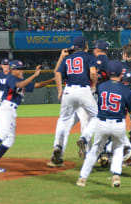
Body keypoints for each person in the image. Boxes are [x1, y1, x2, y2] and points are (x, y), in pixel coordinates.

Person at [0, 60, 54, 173]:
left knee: (10, 139)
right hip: (5, 108)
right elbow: (19, 85)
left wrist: (52, 80)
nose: (21, 70)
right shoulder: (10, 78)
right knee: (4, 132)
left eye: (22, 68)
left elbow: (38, 85)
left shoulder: (20, 80)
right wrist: (34, 75)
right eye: (19, 68)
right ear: (13, 69)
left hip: (11, 110)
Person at [76, 60, 131, 188]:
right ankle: (116, 176)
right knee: (118, 148)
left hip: (102, 123)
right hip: (119, 124)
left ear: (108, 73)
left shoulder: (101, 87)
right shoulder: (126, 90)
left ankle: (83, 178)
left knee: (95, 150)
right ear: (121, 74)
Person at [52, 36, 98, 167]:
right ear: (85, 46)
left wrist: (60, 90)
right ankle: (85, 138)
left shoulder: (67, 59)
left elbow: (57, 74)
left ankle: (57, 146)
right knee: (97, 117)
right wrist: (93, 85)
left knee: (63, 120)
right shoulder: (88, 57)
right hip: (84, 90)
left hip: (68, 90)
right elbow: (93, 73)